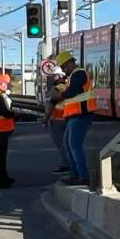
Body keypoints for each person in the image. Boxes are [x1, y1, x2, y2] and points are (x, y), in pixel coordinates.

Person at [59, 55, 97, 186]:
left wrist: (60, 95)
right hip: (75, 115)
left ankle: (83, 177)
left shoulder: (79, 74)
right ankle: (75, 175)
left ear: (69, 63)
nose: (63, 70)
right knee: (68, 144)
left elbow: (73, 92)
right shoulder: (73, 76)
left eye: (63, 67)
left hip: (81, 115)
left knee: (74, 145)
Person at [45, 53, 72, 174]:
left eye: (55, 75)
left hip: (58, 119)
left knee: (61, 143)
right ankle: (70, 164)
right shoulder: (68, 85)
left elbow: (52, 104)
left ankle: (67, 164)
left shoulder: (58, 88)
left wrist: (45, 118)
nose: (53, 78)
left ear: (60, 75)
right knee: (68, 143)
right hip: (68, 117)